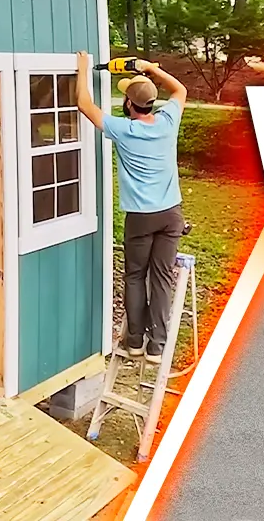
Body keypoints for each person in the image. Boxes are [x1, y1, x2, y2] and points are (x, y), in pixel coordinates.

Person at [77, 52, 187, 364]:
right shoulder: (168, 121)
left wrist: (82, 69)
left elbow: (84, 104)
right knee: (162, 277)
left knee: (136, 276)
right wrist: (153, 69)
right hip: (171, 214)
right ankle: (158, 346)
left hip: (140, 218)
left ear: (128, 104)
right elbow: (180, 91)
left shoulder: (124, 130)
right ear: (152, 103)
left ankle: (136, 341)